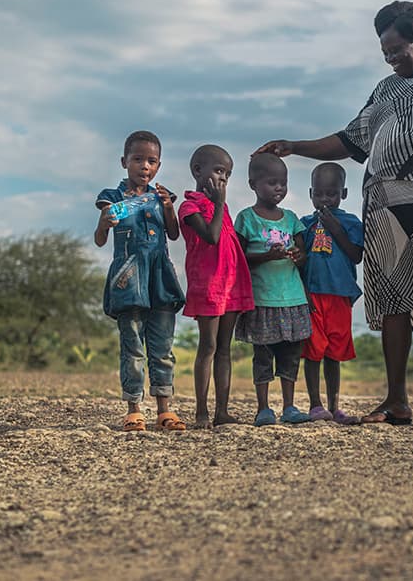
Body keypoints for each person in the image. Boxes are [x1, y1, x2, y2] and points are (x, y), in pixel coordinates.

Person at [256, 0, 413, 425]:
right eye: (385, 52)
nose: (390, 59)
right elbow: (351, 141)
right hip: (386, 210)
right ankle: (396, 400)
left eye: (397, 49)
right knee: (392, 300)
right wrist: (295, 146)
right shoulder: (386, 90)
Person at [95, 130, 187, 432]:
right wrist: (104, 222)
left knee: (162, 346)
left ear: (158, 166)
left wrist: (169, 207)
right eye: (137, 160)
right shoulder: (112, 197)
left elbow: (173, 234)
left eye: (151, 161)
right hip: (128, 277)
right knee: (132, 345)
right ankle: (134, 409)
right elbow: (99, 240)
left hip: (159, 277)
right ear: (124, 162)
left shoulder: (162, 197)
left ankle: (164, 409)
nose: (144, 167)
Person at [178, 144, 255, 429]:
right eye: (219, 171)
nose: (223, 179)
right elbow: (210, 237)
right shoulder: (189, 206)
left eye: (228, 175)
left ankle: (222, 411)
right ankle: (201, 413)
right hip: (208, 286)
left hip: (231, 285)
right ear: (198, 171)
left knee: (225, 348)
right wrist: (220, 204)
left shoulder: (223, 209)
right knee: (207, 346)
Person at [234, 153, 313, 427]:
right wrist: (267, 256)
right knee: (264, 355)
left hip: (292, 297)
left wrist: (296, 255)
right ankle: (264, 408)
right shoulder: (246, 218)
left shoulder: (291, 219)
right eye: (271, 182)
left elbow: (304, 253)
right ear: (253, 184)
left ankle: (290, 407)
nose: (278, 188)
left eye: (283, 182)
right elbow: (240, 258)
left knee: (291, 355)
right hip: (263, 298)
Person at [299, 163, 364, 425]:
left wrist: (336, 229)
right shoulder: (304, 224)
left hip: (340, 294)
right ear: (311, 193)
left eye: (332, 193)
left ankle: (335, 407)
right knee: (313, 350)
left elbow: (356, 255)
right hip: (312, 294)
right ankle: (316, 405)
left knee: (334, 353)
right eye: (320, 194)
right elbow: (301, 259)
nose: (325, 199)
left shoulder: (351, 223)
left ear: (344, 194)